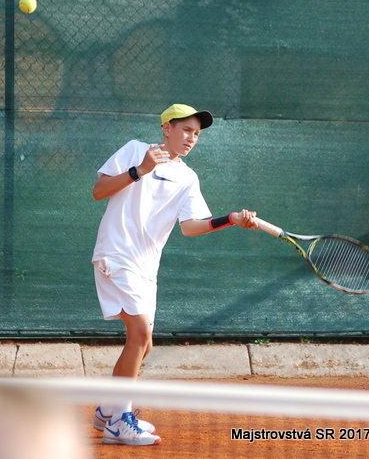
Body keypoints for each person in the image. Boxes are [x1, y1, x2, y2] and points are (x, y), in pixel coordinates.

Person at [90, 103, 258, 446]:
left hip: (146, 267)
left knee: (145, 344)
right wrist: (141, 169)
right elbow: (99, 191)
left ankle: (108, 410)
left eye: (196, 134)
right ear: (166, 128)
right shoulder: (135, 150)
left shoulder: (188, 177)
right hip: (116, 254)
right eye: (186, 130)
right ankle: (118, 423)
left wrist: (230, 219)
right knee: (139, 333)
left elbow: (191, 226)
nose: (191, 138)